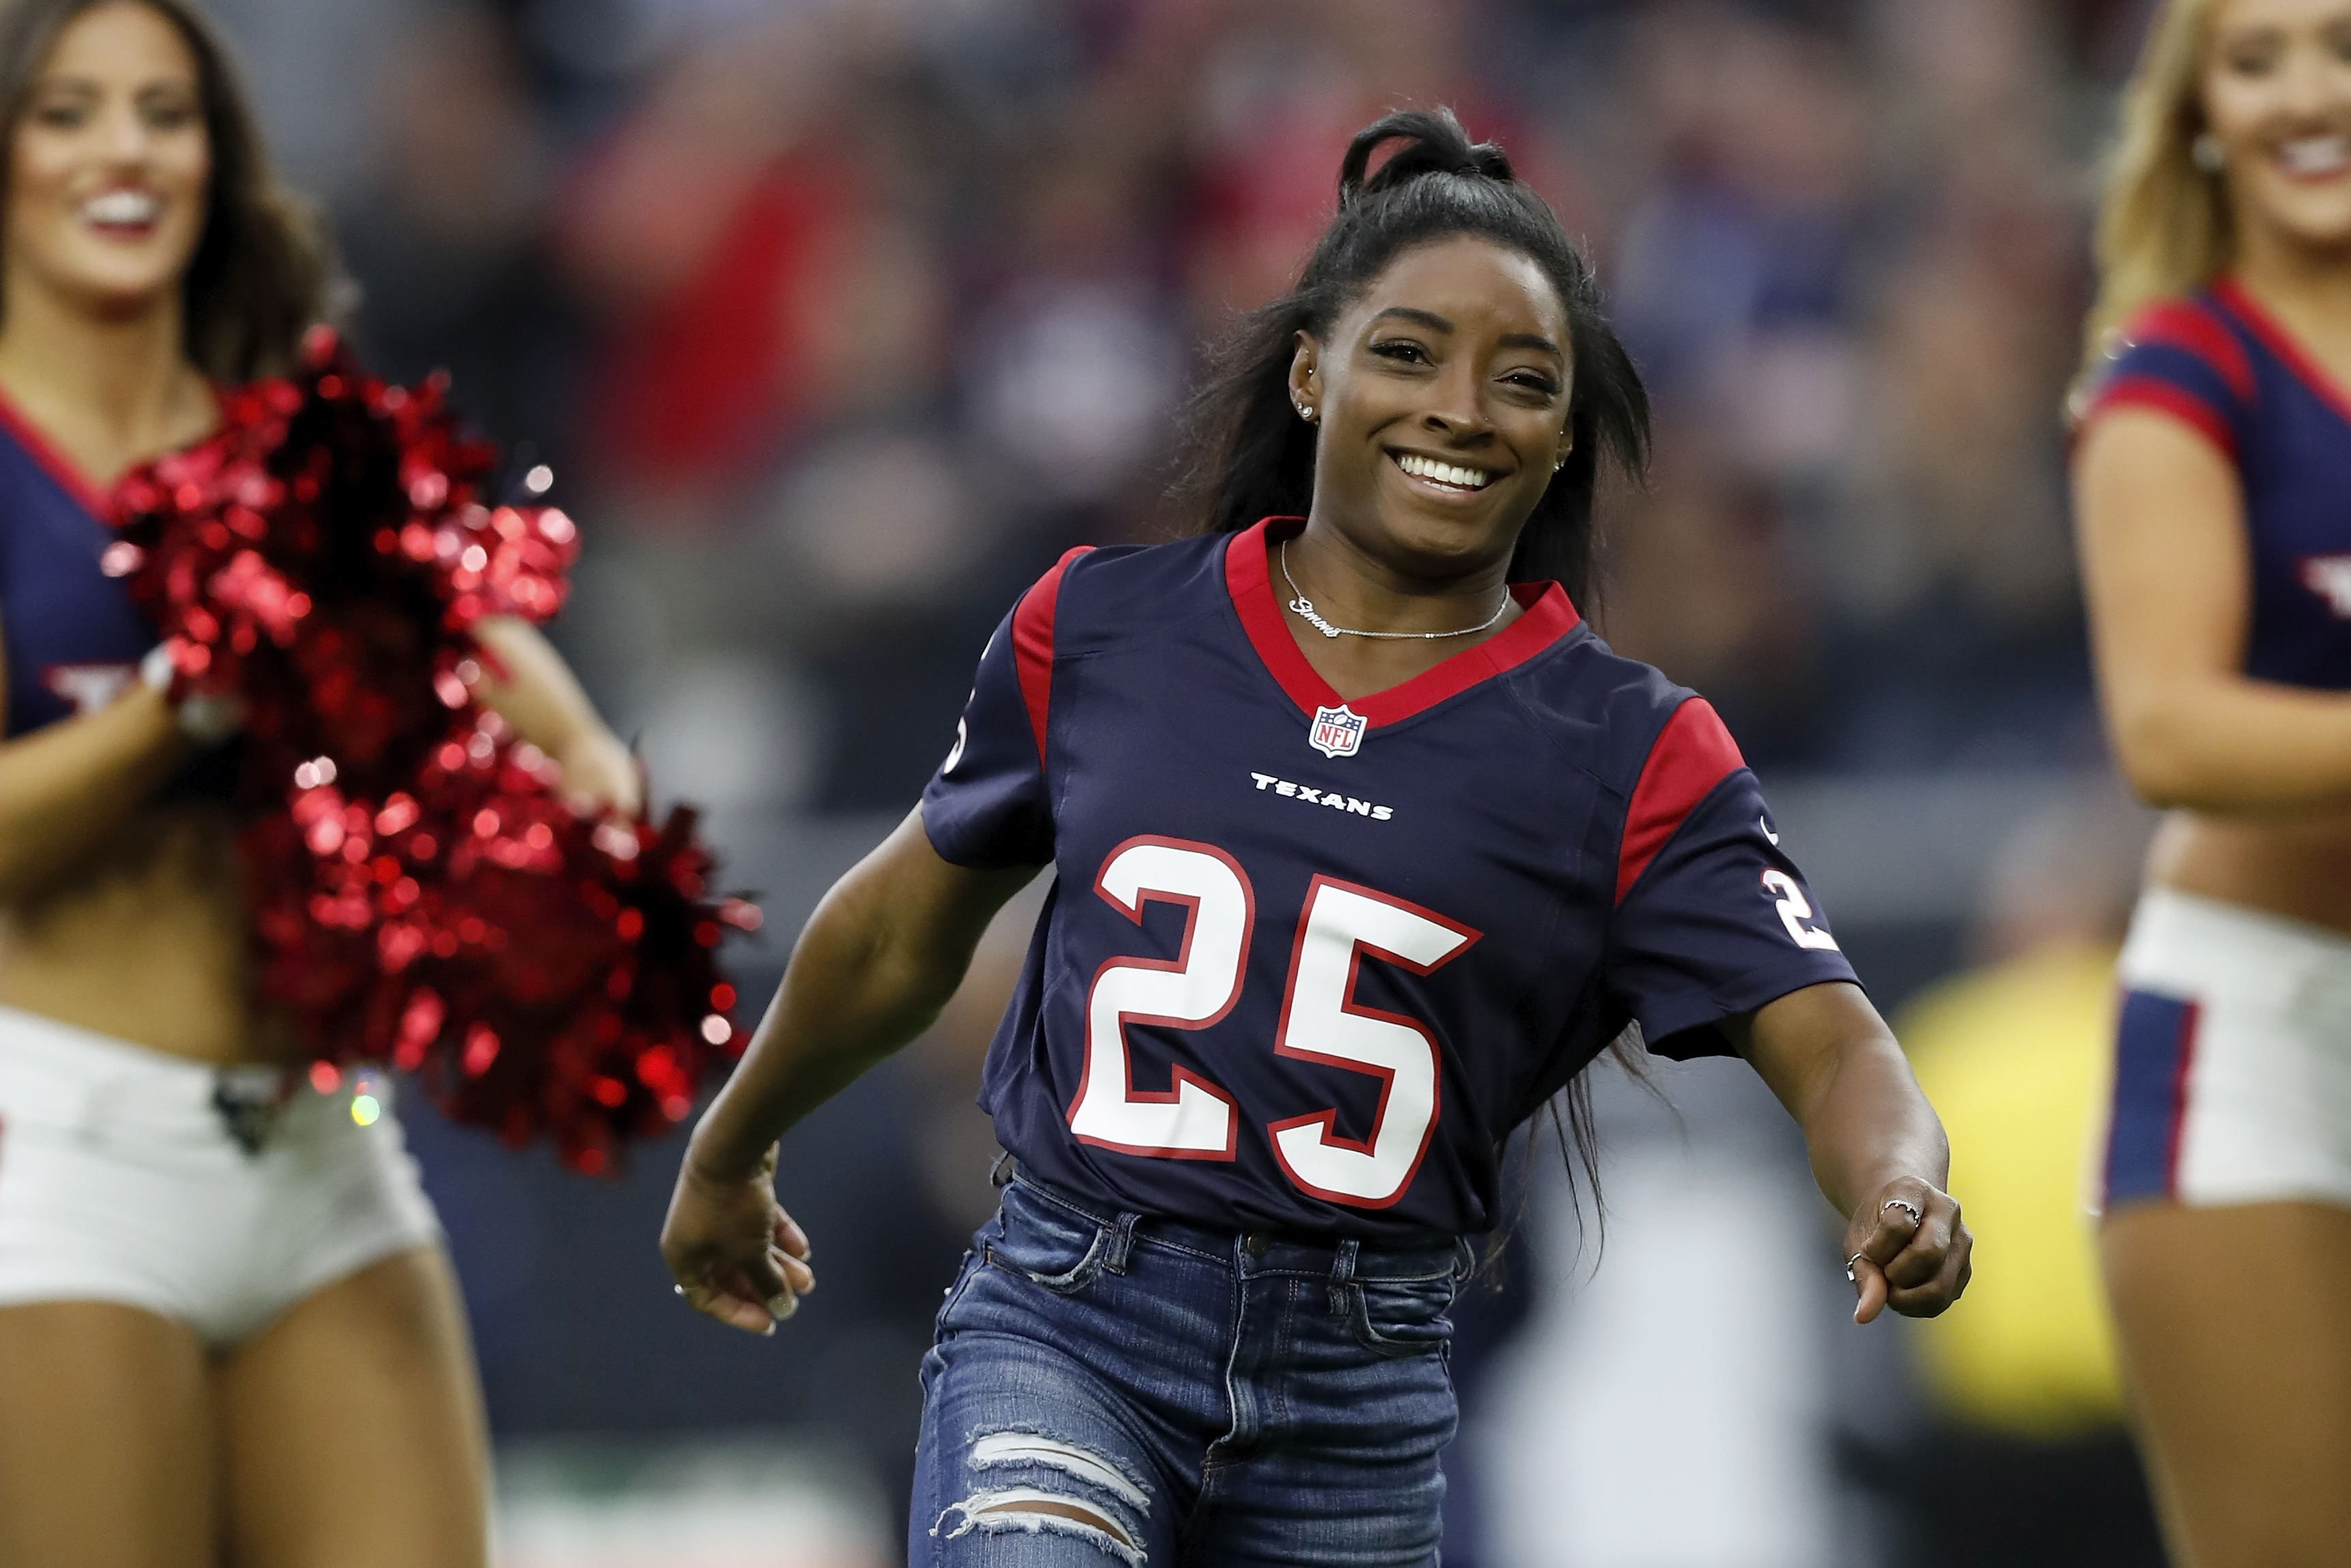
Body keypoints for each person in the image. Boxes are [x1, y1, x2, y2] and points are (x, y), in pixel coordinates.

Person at [663, 108, 1971, 1567]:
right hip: (1071, 1320)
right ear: (1309, 371)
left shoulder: (1629, 748)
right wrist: (733, 1145)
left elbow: (1831, 1039)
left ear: (1562, 440)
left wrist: (1896, 1179)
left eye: (1522, 379)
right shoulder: (1102, 625)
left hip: (1362, 1390)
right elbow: (899, 925)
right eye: (1407, 353)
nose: (1460, 408)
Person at [0, 3, 636, 1565]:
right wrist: (190, 697)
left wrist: (581, 794)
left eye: (165, 112)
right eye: (70, 111)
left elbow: (496, 655)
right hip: (60, 1152)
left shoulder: (292, 419)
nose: (125, 152)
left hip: (324, 1143)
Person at [2071, 1, 2351, 1562]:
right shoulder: (2178, 374)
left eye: (2342, 49)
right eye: (2254, 61)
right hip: (2262, 1037)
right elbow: (2166, 733)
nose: (2306, 95)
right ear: (2195, 114)